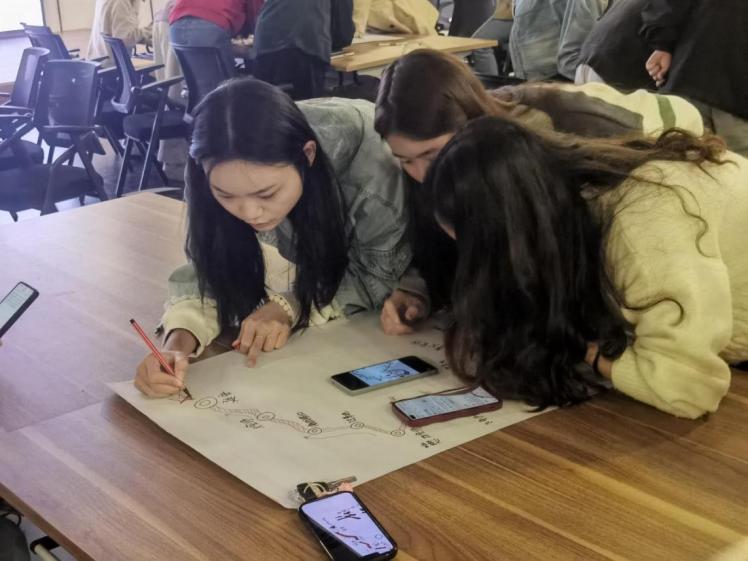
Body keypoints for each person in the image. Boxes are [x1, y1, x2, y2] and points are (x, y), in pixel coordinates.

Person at [424, 116, 748, 419]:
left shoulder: (640, 223)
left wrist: (580, 348)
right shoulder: (567, 200)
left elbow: (688, 389)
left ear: (515, 235)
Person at [373, 48, 705, 333]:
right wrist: (419, 288)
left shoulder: (556, 135)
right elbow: (461, 237)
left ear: (469, 128)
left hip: (676, 147)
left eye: (432, 156)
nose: (423, 175)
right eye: (405, 161)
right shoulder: (432, 164)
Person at [133, 78, 409, 397]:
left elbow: (378, 275)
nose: (250, 213)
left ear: (307, 155)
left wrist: (289, 305)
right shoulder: (210, 158)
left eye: (266, 194)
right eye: (225, 195)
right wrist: (176, 344)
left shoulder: (373, 168)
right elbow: (209, 266)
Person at [253, 0, 354, 100]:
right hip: (308, 42)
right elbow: (343, 28)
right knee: (309, 104)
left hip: (266, 39)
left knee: (263, 102)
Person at [169, 0, 256, 73]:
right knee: (227, 83)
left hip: (176, 22)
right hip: (211, 22)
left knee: (198, 77)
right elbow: (256, 18)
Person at [87, 0, 152, 61]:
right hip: (109, 65)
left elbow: (117, 33)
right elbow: (125, 38)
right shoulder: (121, 3)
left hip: (95, 62)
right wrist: (149, 31)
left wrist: (145, 36)